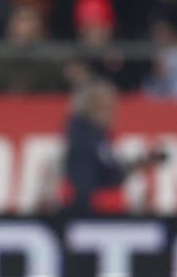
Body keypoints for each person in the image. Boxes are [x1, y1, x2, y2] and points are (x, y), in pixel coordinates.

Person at [62, 79, 167, 214]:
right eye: (107, 107)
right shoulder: (84, 137)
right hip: (85, 212)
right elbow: (95, 180)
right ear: (91, 107)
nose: (113, 113)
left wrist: (141, 163)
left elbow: (111, 173)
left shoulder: (97, 136)